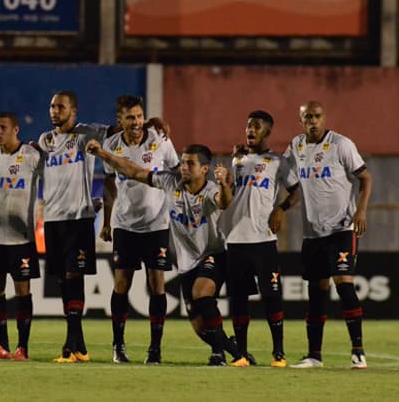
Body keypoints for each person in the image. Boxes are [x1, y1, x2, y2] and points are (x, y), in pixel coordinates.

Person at [88, 140, 250, 366]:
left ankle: (218, 354)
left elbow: (223, 202)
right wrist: (102, 154)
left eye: (190, 164)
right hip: (187, 263)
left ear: (205, 169)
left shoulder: (211, 190)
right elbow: (134, 170)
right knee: (201, 328)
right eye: (182, 162)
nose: (183, 167)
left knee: (201, 293)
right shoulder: (169, 182)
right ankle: (236, 351)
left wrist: (223, 184)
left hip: (213, 254)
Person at [284, 101, 372, 369]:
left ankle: (358, 351)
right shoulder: (296, 147)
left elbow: (366, 178)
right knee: (316, 292)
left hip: (341, 228)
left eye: (317, 116)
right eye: (307, 116)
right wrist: (280, 208)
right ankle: (314, 355)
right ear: (300, 120)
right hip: (313, 233)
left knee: (344, 284)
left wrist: (361, 211)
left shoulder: (341, 144)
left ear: (325, 118)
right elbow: (290, 184)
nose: (313, 121)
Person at [100, 95, 180, 364]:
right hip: (125, 225)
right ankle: (118, 346)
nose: (136, 122)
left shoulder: (159, 139)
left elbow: (177, 172)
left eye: (139, 116)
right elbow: (110, 185)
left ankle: (154, 349)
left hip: (157, 223)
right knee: (122, 284)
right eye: (130, 117)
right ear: (119, 120)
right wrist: (107, 221)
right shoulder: (110, 145)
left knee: (157, 285)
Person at [219, 110, 299, 368]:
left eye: (256, 126)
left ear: (268, 132)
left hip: (263, 240)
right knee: (238, 299)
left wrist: (280, 209)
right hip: (235, 240)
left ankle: (279, 353)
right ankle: (241, 353)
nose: (250, 130)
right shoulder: (238, 159)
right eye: (248, 125)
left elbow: (297, 192)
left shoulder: (278, 162)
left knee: (271, 296)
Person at [37, 91, 111, 363]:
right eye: (52, 106)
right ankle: (78, 347)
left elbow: (119, 130)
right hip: (53, 219)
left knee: (73, 277)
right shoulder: (45, 141)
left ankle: (71, 345)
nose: (55, 111)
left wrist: (149, 125)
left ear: (73, 111)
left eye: (61, 107)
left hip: (78, 218)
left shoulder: (85, 135)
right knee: (62, 281)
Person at [0, 112, 44, 360]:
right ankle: (2, 346)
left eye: (3, 127)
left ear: (16, 129)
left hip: (21, 239)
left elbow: (55, 176)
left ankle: (22, 348)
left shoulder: (31, 156)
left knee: (22, 292)